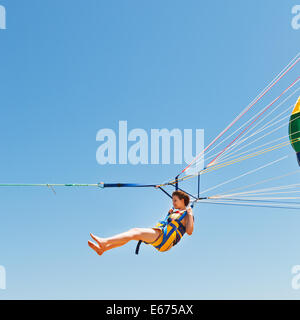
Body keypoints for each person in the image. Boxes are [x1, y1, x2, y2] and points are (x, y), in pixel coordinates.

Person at [88, 190, 194, 256]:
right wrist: (168, 215)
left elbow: (189, 231)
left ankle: (105, 241)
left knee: (135, 232)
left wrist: (189, 214)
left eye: (175, 200)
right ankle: (104, 248)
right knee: (132, 235)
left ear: (183, 200)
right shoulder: (175, 212)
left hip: (165, 239)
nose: (173, 203)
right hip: (162, 237)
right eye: (172, 200)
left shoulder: (187, 214)